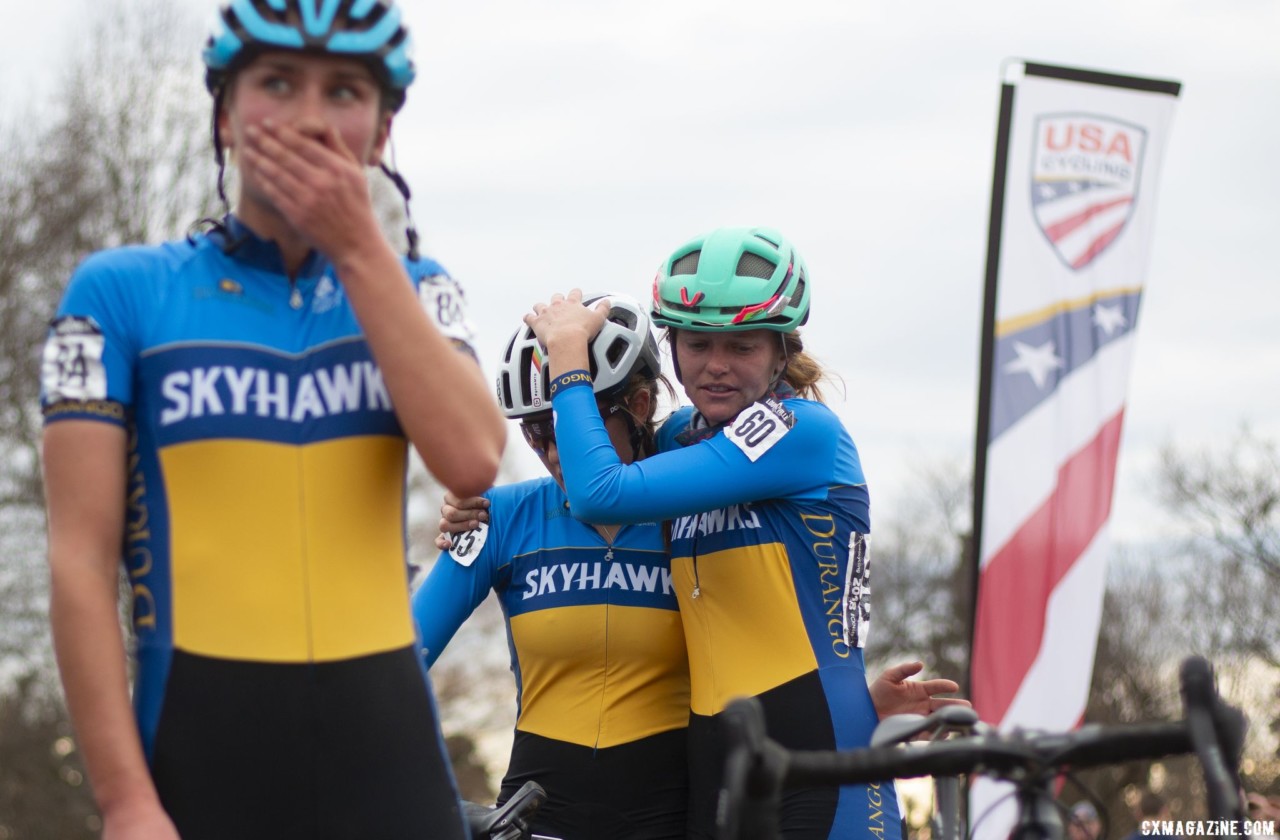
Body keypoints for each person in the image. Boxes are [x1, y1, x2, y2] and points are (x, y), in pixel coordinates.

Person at [38, 2, 504, 838]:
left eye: (343, 92)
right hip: (197, 753)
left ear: (382, 125)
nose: (308, 118)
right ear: (224, 110)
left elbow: (471, 459)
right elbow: (79, 559)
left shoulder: (414, 286)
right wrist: (124, 800)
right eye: (278, 84)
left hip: (384, 752)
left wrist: (362, 248)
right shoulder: (121, 293)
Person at [512, 226, 960, 839]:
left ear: (782, 350)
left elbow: (598, 491)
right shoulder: (682, 438)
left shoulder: (802, 431)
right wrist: (479, 508)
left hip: (818, 757)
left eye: (742, 347)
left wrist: (568, 361)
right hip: (714, 765)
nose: (716, 366)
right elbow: (578, 477)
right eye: (696, 345)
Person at [414, 295, 690, 839]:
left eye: (570, 426)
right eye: (535, 432)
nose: (555, 450)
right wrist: (438, 804)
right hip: (538, 809)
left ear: (638, 405)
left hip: (672, 813)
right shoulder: (501, 516)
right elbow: (395, 664)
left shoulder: (695, 511)